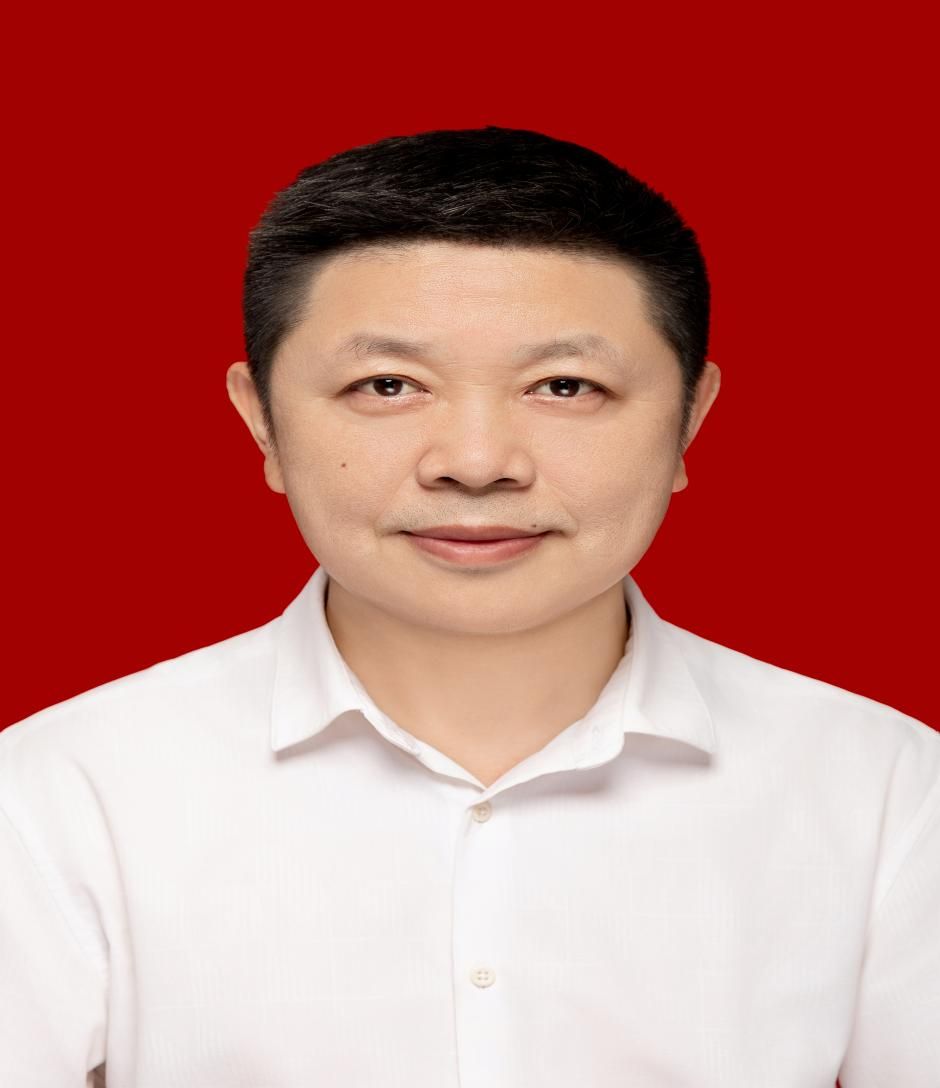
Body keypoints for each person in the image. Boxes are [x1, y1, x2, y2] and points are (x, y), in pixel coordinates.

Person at [1, 126, 937, 1087]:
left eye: (564, 386)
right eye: (388, 385)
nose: (478, 462)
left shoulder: (887, 789)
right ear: (262, 421)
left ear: (690, 417)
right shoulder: (60, 792)